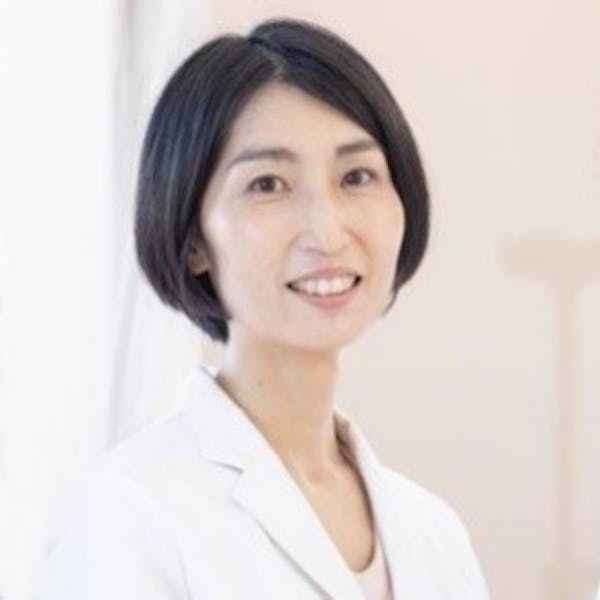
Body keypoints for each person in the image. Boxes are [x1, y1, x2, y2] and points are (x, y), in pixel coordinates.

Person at [42, 17, 490, 600]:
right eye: (268, 185)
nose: (327, 233)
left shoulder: (434, 533)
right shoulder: (132, 512)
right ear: (194, 240)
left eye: (356, 177)